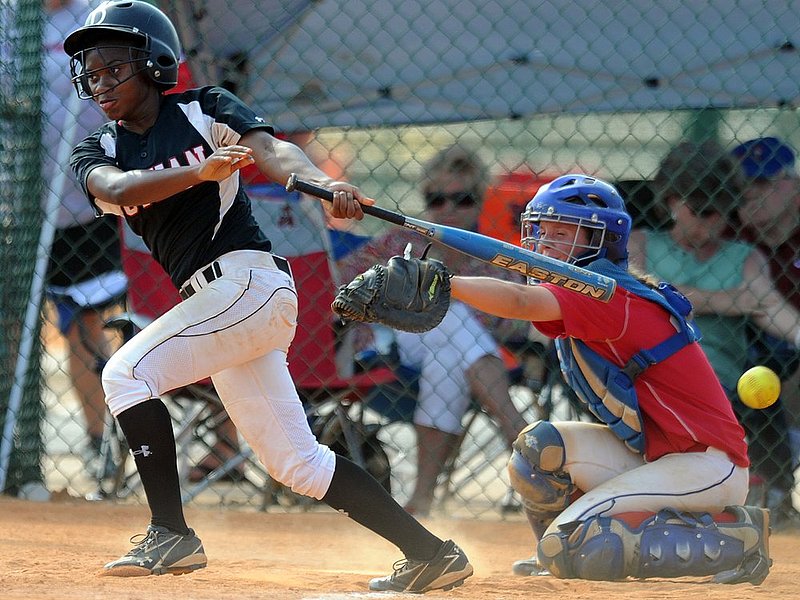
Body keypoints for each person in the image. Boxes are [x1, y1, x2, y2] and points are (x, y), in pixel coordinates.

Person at [62, 2, 472, 592]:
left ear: (153, 62)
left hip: (247, 285)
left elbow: (273, 153)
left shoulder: (204, 108)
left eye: (113, 67)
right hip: (224, 308)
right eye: (90, 72)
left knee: (126, 374)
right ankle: (433, 554)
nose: (100, 83)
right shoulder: (96, 149)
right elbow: (119, 188)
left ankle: (170, 533)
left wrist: (327, 185)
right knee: (298, 465)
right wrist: (198, 175)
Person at [444, 173, 771, 584]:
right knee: (539, 448)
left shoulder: (607, 295)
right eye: (542, 230)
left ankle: (736, 537)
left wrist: (446, 284)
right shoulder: (586, 293)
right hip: (660, 458)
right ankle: (558, 549)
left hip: (707, 466)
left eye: (562, 231)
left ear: (599, 241)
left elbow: (520, 300)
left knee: (578, 546)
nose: (545, 242)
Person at [337, 144, 530, 516]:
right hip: (393, 347)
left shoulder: (492, 250)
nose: (449, 211)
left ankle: (420, 499)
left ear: (479, 200)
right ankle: (518, 431)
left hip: (454, 360)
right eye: (436, 199)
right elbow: (344, 279)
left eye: (462, 199)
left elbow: (512, 323)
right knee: (453, 314)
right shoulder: (401, 240)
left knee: (447, 346)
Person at [629, 140, 800, 530]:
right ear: (672, 202)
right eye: (701, 212)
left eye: (722, 213)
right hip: (652, 381)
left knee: (748, 395)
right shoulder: (641, 245)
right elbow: (644, 301)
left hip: (721, 387)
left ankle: (755, 496)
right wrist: (730, 300)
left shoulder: (743, 257)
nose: (711, 225)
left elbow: (771, 307)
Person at [44, 0, 128, 475]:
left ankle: (109, 442)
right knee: (57, 328)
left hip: (98, 204)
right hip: (27, 211)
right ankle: (95, 442)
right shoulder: (11, 20)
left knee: (101, 324)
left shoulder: (101, 13)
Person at [731, 136, 800, 520]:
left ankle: (777, 483)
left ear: (794, 184)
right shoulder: (726, 234)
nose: (748, 195)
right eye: (742, 186)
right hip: (746, 351)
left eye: (762, 183)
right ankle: (765, 487)